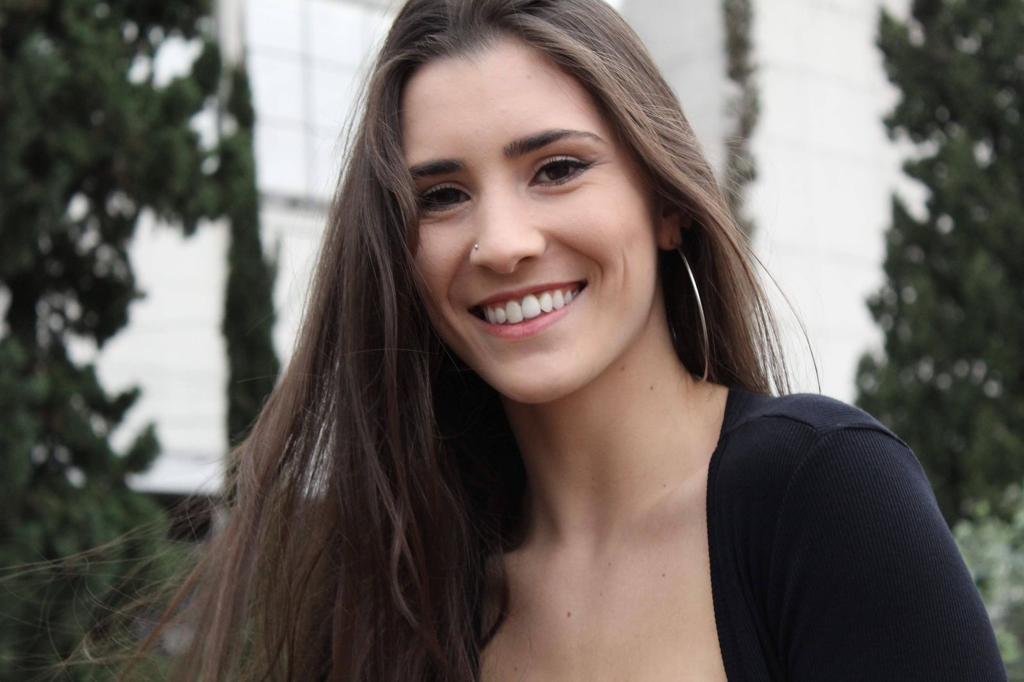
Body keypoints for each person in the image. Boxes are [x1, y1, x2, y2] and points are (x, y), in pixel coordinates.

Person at [136, 0, 1006, 679]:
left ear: (666, 204)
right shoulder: (406, 589)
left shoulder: (824, 497)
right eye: (442, 196)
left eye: (557, 169)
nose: (501, 243)